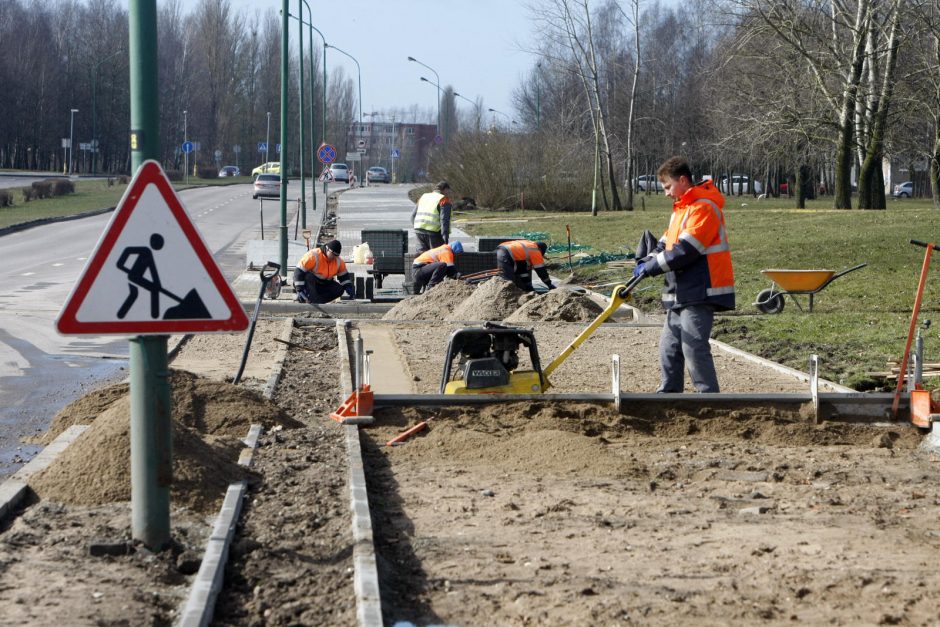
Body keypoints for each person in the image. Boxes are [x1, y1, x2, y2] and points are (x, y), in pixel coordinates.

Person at [632, 156, 735, 393]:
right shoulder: (681, 210)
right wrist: (647, 260)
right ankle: (669, 396)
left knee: (693, 347)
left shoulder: (704, 208)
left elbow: (686, 251)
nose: (666, 193)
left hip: (700, 290)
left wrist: (652, 267)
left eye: (668, 187)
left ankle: (710, 399)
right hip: (679, 293)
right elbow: (666, 243)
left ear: (682, 180)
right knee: (669, 348)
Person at [293, 239, 355, 304]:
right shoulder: (313, 255)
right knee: (309, 276)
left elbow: (344, 276)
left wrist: (348, 286)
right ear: (327, 249)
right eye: (332, 254)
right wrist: (299, 289)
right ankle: (307, 299)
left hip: (324, 284)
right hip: (311, 283)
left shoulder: (338, 261)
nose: (334, 257)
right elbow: (298, 271)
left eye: (336, 256)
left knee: (339, 290)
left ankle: (318, 301)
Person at [412, 180, 453, 252]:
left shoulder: (423, 197)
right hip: (433, 234)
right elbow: (444, 220)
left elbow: (413, 216)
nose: (448, 194)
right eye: (448, 191)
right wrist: (445, 238)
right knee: (436, 257)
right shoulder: (443, 199)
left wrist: (417, 228)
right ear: (445, 189)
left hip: (419, 232)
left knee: (422, 258)